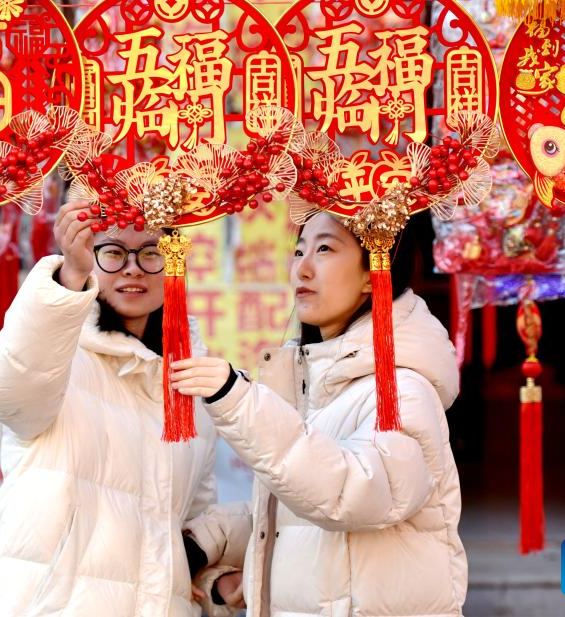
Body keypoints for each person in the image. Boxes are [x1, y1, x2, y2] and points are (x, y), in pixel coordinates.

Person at [171, 211, 466, 616]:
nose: (302, 269)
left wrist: (238, 401)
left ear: (373, 273)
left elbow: (355, 493)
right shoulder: (321, 385)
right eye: (298, 251)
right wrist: (208, 541)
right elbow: (295, 516)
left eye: (324, 249)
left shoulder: (401, 390)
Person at [0, 201, 218, 616]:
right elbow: (11, 391)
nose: (133, 269)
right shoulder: (58, 354)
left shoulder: (192, 381)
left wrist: (212, 579)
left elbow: (191, 520)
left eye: (151, 253)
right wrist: (69, 278)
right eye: (113, 252)